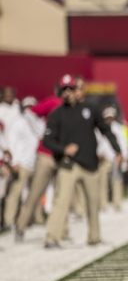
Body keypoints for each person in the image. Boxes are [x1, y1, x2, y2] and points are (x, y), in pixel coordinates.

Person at [42, 76, 121, 248]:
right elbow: (47, 140)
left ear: (78, 91)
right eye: (65, 90)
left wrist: (117, 150)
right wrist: (63, 149)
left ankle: (95, 237)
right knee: (61, 202)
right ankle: (52, 237)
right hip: (68, 165)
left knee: (93, 204)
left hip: (89, 164)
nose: (69, 93)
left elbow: (105, 130)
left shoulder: (90, 109)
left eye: (72, 89)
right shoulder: (57, 115)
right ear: (61, 93)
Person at [14, 81, 65, 241]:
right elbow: (30, 113)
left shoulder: (73, 108)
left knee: (62, 195)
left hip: (62, 155)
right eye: (65, 89)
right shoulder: (52, 102)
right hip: (46, 154)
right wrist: (41, 132)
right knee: (35, 192)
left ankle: (61, 231)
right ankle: (21, 226)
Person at [2, 97, 41, 232]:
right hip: (21, 163)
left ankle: (34, 219)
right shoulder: (18, 123)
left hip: (34, 162)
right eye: (27, 107)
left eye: (32, 107)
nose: (30, 110)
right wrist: (14, 162)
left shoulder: (37, 122)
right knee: (15, 193)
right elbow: (12, 143)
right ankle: (9, 221)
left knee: (34, 193)